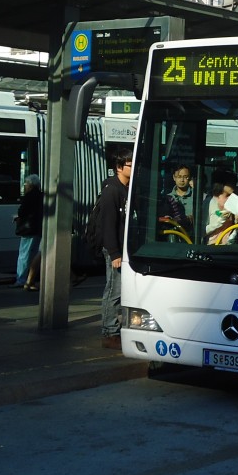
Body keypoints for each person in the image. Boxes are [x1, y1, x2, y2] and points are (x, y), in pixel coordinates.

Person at [98, 149, 132, 349]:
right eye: (129, 164)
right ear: (119, 167)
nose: (133, 166)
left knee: (121, 290)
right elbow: (108, 223)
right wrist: (114, 253)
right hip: (115, 249)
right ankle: (109, 332)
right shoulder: (112, 190)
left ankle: (116, 329)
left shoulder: (127, 188)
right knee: (114, 290)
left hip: (125, 248)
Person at [13, 174, 43, 290]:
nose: (25, 187)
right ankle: (31, 279)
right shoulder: (42, 196)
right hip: (38, 229)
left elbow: (22, 211)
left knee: (24, 255)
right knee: (33, 254)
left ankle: (21, 279)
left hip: (28, 229)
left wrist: (18, 217)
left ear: (30, 185)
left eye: (25, 184)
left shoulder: (29, 196)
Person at [158, 164, 194, 238]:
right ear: (174, 177)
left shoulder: (199, 197)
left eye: (185, 177)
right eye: (179, 177)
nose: (182, 180)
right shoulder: (167, 198)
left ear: (189, 178)